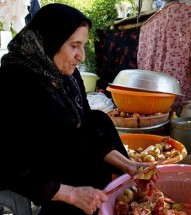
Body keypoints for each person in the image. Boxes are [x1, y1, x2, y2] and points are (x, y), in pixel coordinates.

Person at [0, 3, 157, 215]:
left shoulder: (66, 75)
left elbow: (84, 125)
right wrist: (72, 194)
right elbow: (10, 164)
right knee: (85, 170)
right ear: (50, 42)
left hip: (61, 153)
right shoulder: (14, 83)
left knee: (99, 120)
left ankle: (117, 189)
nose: (81, 56)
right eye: (74, 46)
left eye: (83, 45)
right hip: (31, 170)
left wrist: (128, 166)